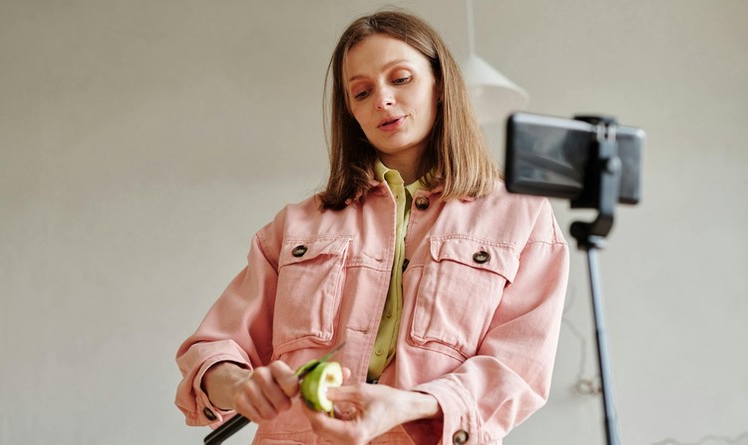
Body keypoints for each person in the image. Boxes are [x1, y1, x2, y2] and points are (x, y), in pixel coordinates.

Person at [176, 9, 569, 445]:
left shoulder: (522, 215)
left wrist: (411, 406)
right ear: (352, 112)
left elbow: (518, 368)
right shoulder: (297, 225)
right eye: (362, 92)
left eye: (400, 79)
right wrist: (238, 385)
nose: (382, 100)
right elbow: (213, 348)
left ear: (440, 85)